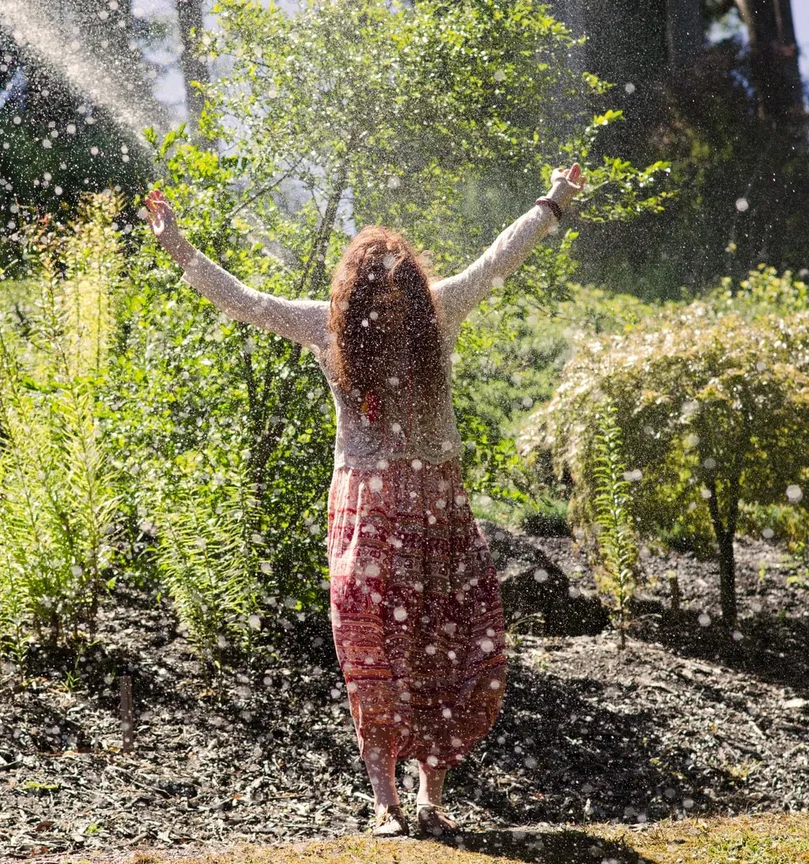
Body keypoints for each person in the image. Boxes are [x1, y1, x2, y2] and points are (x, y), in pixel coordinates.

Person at [143, 164, 584, 837]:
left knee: (443, 644)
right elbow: (245, 300)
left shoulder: (439, 313)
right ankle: (386, 801)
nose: (390, 304)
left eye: (399, 290)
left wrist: (552, 204)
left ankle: (431, 796)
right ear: (356, 294)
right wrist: (176, 245)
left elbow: (499, 258)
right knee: (371, 651)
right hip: (366, 518)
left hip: (436, 510)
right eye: (378, 291)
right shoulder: (328, 327)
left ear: (412, 290)